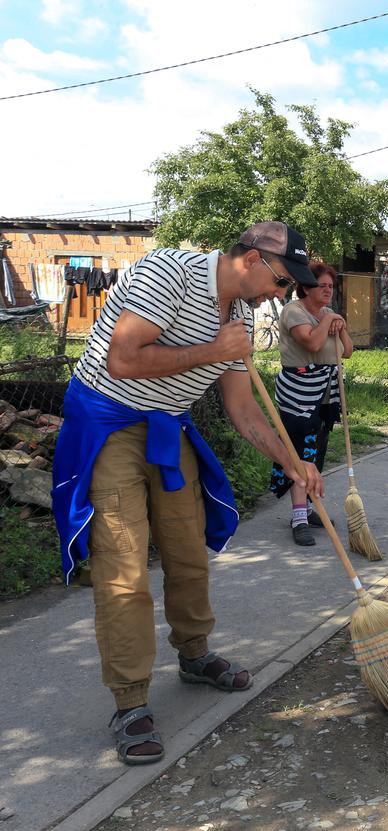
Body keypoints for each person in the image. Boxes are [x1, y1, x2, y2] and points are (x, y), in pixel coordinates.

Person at [51, 222, 325, 765]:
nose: (283, 294)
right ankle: (130, 702)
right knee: (124, 567)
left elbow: (244, 411)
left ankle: (194, 654)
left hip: (167, 423)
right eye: (280, 280)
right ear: (250, 259)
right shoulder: (168, 273)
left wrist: (293, 464)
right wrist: (213, 349)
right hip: (107, 425)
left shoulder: (241, 316)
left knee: (186, 549)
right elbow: (122, 360)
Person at [269, 260, 354, 546]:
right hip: (299, 394)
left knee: (316, 455)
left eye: (331, 286)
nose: (329, 290)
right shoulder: (294, 311)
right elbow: (313, 344)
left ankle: (307, 507)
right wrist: (331, 321)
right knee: (300, 456)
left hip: (325, 395)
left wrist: (340, 327)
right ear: (306, 287)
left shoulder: (329, 313)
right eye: (323, 285)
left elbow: (348, 352)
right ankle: (298, 517)